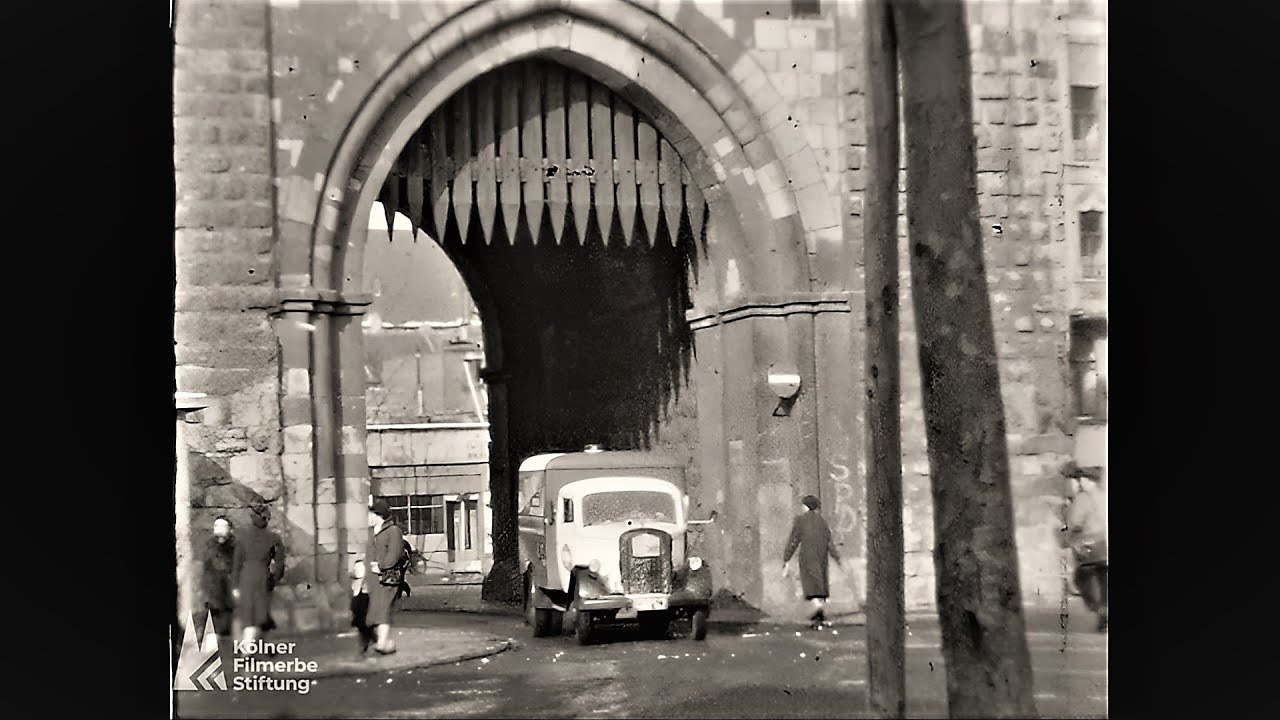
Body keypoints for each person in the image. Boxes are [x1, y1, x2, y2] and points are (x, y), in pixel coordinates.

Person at [783, 495, 845, 629]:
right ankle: (818, 611)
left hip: (807, 556)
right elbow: (830, 542)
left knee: (810, 584)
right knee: (819, 583)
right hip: (821, 556)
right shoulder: (822, 521)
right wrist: (837, 558)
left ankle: (818, 610)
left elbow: (794, 540)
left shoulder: (800, 520)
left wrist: (787, 557)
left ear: (806, 506)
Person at [232, 504, 286, 647]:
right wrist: (273, 580)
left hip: (246, 577)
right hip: (262, 577)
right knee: (259, 613)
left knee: (248, 613)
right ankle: (250, 648)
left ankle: (250, 647)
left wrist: (235, 585)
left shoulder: (242, 537)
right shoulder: (274, 538)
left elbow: (236, 563)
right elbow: (280, 564)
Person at [1065, 466, 1108, 633]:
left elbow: (1075, 523)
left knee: (1081, 579)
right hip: (1104, 546)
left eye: (1082, 479)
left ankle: (1102, 613)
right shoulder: (1103, 496)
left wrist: (1069, 537)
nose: (1079, 482)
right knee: (1104, 582)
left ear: (1089, 481)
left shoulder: (1083, 498)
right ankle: (1104, 615)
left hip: (1090, 547)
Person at [367, 498, 405, 655]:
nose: (368, 517)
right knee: (373, 610)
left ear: (377, 515)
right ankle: (383, 642)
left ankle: (382, 643)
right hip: (373, 578)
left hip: (389, 578)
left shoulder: (393, 531)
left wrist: (381, 566)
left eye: (370, 514)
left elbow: (394, 554)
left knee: (383, 609)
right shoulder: (371, 532)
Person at [201, 516, 237, 637]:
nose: (219, 530)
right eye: (217, 526)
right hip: (215, 595)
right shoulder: (210, 546)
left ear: (231, 530)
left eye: (223, 526)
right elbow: (212, 568)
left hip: (232, 596)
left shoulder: (237, 547)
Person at [349, 558, 376, 656]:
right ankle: (370, 643)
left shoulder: (363, 580)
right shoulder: (358, 581)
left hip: (363, 598)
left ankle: (370, 643)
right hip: (360, 598)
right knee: (363, 624)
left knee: (363, 624)